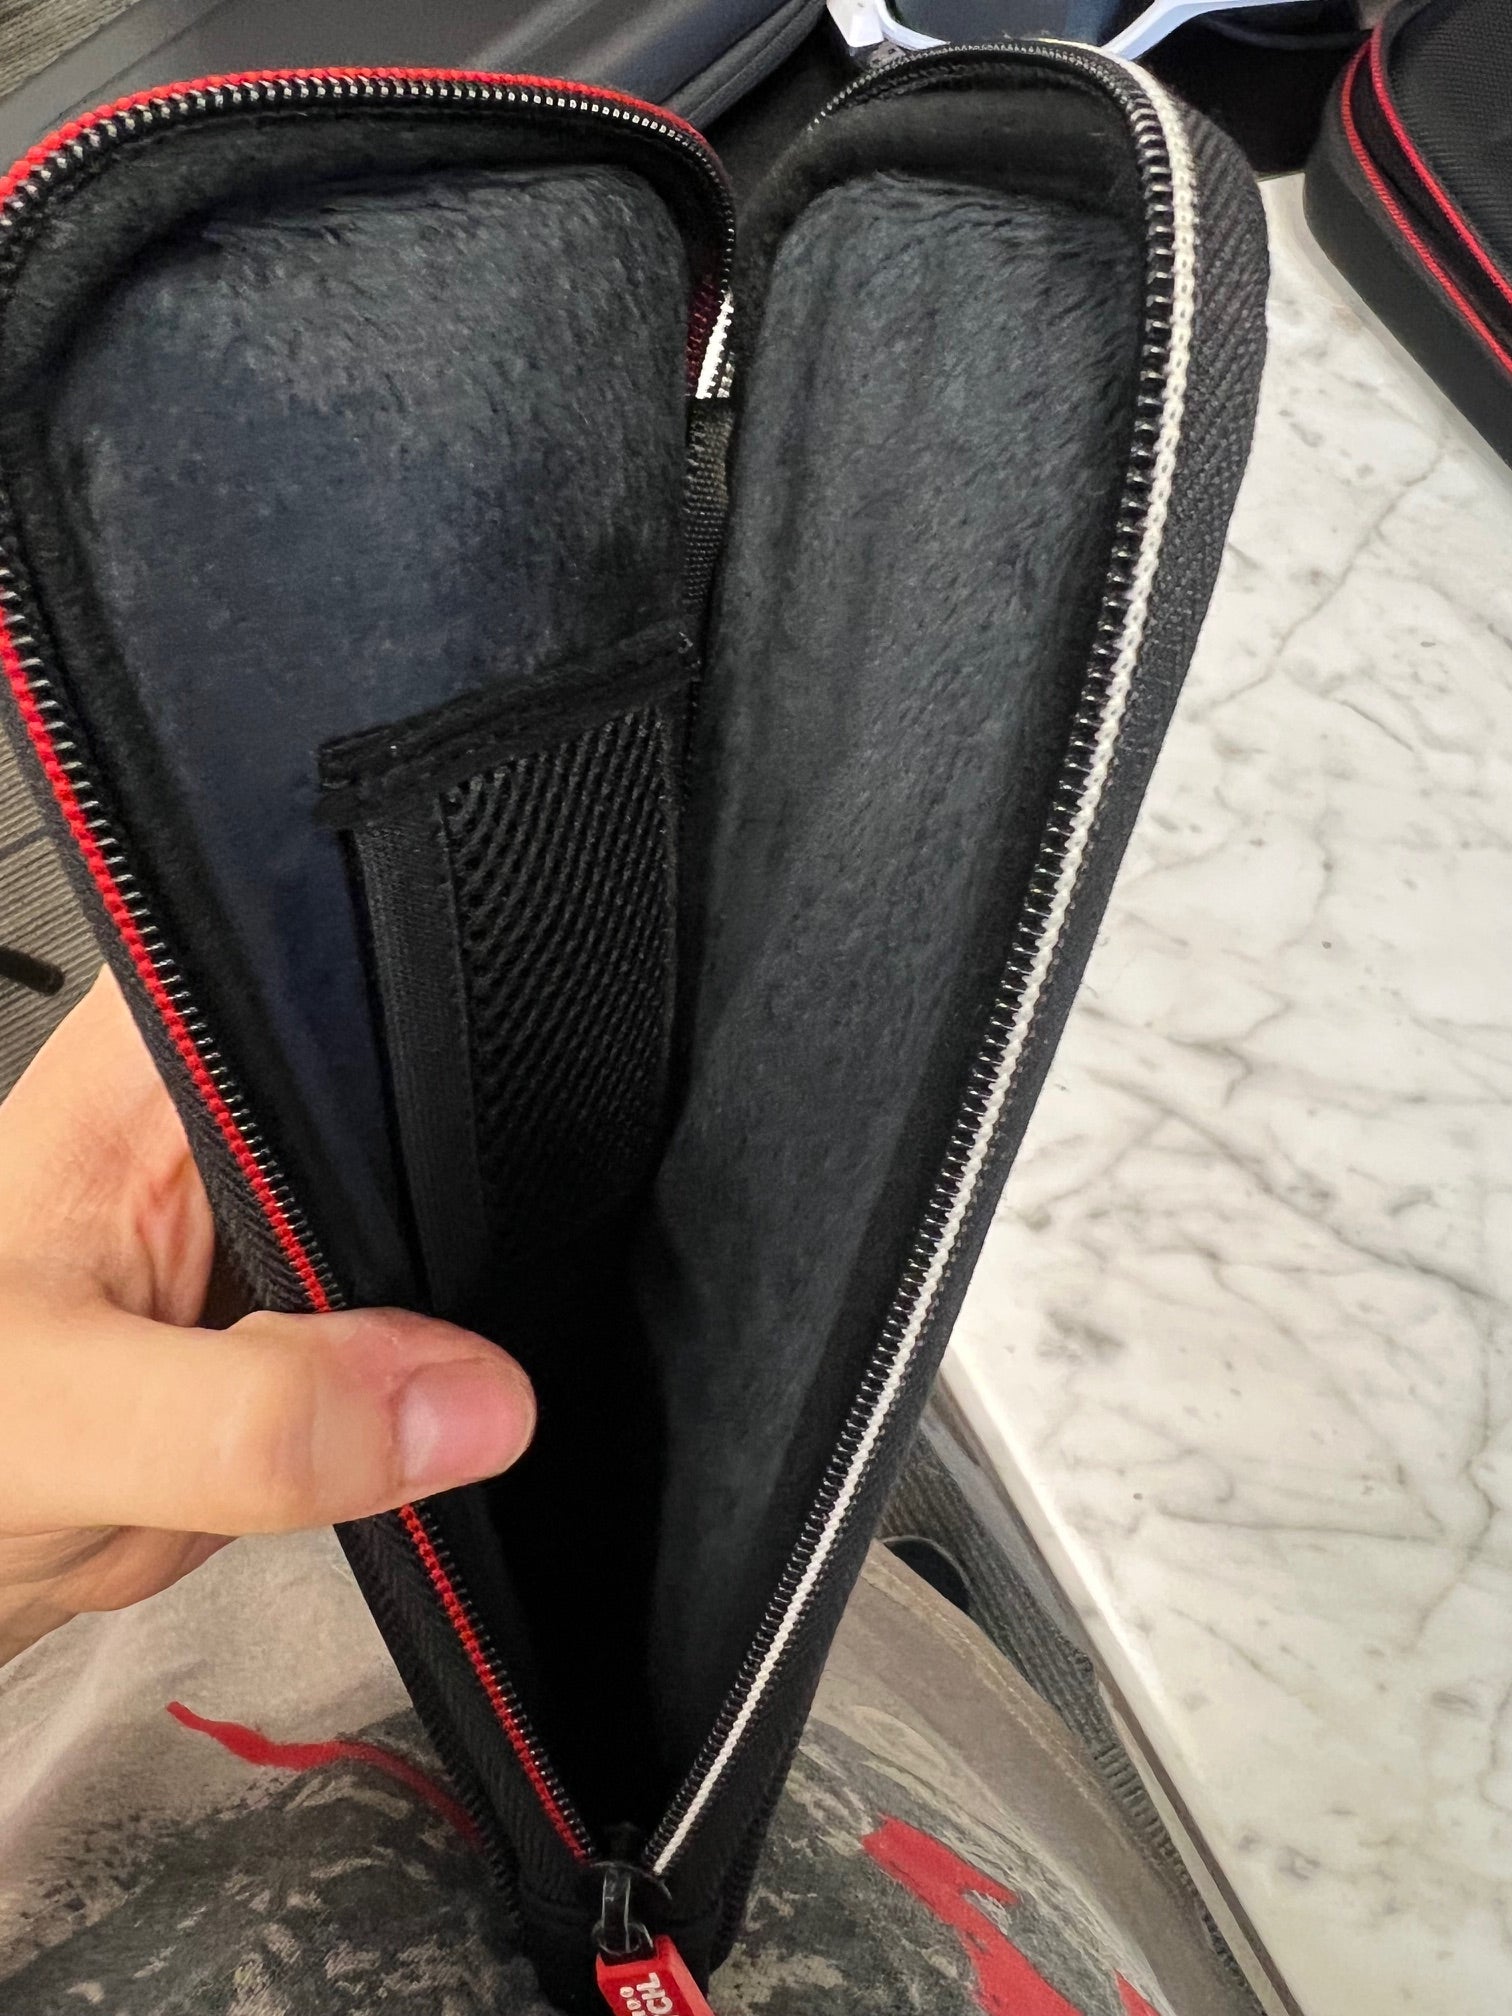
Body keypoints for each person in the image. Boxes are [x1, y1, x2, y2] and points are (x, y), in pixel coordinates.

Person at [0, 969, 1265, 2016]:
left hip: (203, 1570)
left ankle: (881, 1631)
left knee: (774, 1579)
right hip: (913, 1797)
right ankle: (897, 1643)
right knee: (813, 1610)